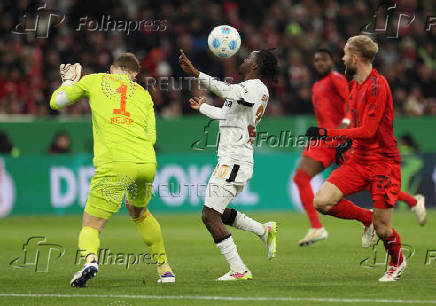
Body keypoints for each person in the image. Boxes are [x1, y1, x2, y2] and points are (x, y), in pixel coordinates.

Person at [49, 54, 175, 286]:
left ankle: (90, 261)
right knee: (140, 212)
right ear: (135, 75)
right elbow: (152, 136)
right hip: (146, 163)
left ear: (111, 69)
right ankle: (165, 269)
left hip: (115, 164)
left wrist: (69, 82)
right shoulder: (144, 94)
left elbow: (56, 103)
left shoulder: (95, 80)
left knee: (92, 224)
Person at [306, 35, 406, 282]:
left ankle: (397, 261)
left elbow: (370, 131)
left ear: (355, 58)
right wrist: (346, 141)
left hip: (384, 162)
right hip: (359, 160)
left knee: (384, 229)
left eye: (344, 53)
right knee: (321, 202)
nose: (341, 58)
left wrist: (329, 133)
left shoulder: (377, 86)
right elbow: (356, 123)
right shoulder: (355, 85)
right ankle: (366, 218)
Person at [179, 49, 278, 281]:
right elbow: (227, 116)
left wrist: (196, 73)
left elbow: (225, 89)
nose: (245, 59)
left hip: (235, 160)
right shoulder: (246, 90)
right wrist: (202, 108)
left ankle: (239, 269)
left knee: (209, 215)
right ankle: (264, 231)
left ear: (257, 65)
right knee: (217, 212)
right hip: (231, 158)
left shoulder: (255, 87)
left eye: (249, 58)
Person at [293, 48, 350, 246]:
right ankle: (316, 228)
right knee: (300, 178)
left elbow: (352, 100)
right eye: (317, 60)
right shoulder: (317, 84)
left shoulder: (335, 78)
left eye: (324, 60)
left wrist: (346, 121)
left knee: (366, 179)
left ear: (331, 61)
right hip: (324, 139)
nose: (320, 63)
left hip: (340, 137)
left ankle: (411, 202)